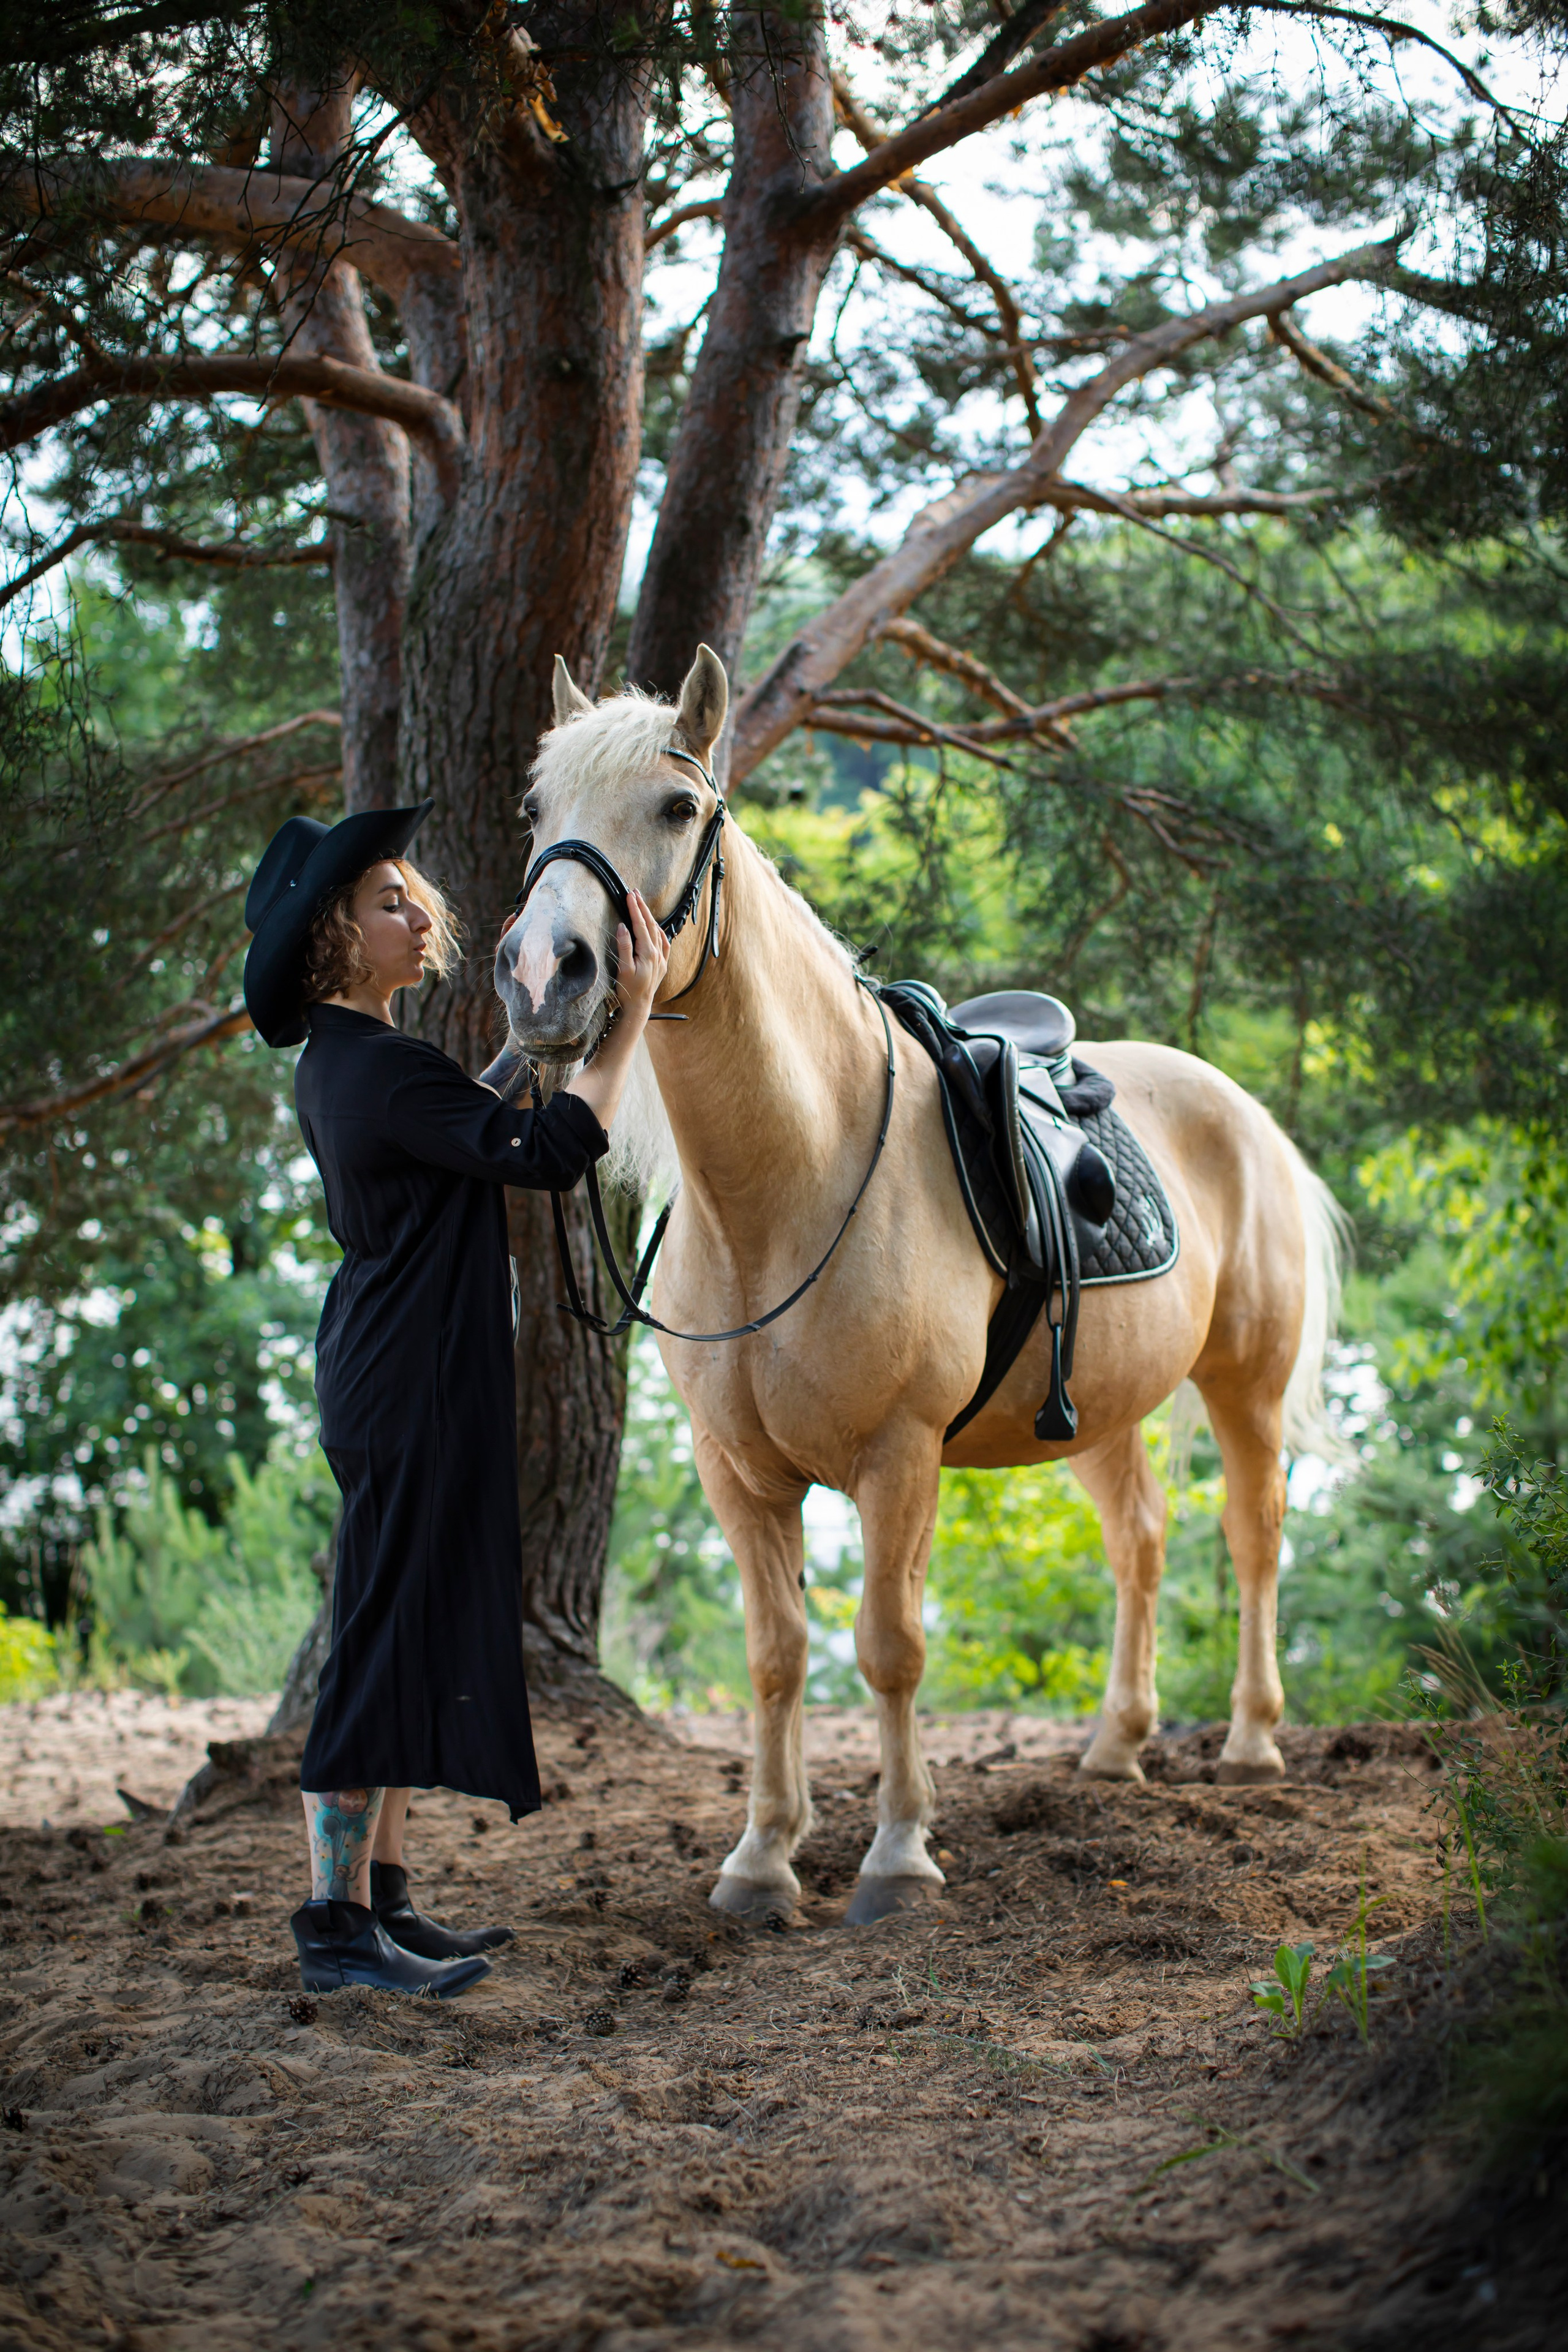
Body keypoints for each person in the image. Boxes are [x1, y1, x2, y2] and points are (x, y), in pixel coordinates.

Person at [242, 799, 667, 1996]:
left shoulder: (362, 1065)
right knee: (376, 1649)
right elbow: (538, 1155)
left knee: (403, 1637)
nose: (419, 912)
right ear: (332, 940)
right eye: (388, 901)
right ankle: (333, 1934)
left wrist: (540, 1045)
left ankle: (383, 1904)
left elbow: (476, 1124)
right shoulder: (372, 1071)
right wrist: (627, 1016)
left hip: (399, 1369)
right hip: (408, 1380)